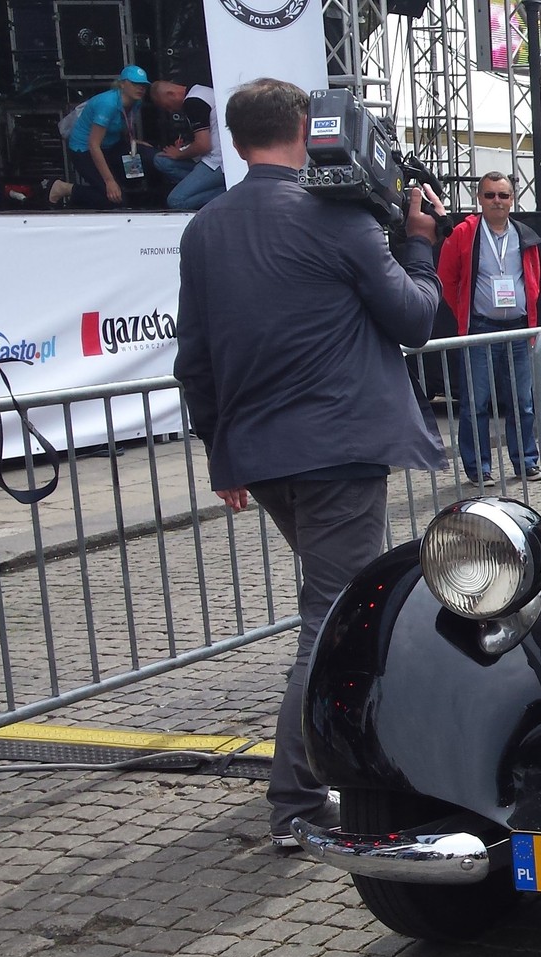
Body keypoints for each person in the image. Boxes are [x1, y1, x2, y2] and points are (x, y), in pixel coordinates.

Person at [172, 78, 448, 847]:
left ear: (232, 140)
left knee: (346, 603)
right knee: (331, 622)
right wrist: (419, 241)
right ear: (305, 126)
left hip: (260, 458)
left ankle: (348, 756)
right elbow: (416, 318)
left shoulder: (205, 228)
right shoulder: (339, 217)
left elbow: (193, 359)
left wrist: (218, 450)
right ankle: (297, 801)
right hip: (336, 453)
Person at [437, 171, 541, 486]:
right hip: (481, 329)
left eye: (503, 195)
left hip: (519, 330)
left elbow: (534, 280)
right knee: (475, 404)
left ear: (512, 199)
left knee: (522, 401)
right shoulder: (464, 234)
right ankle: (478, 468)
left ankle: (526, 462)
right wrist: (466, 315)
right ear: (479, 199)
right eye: (490, 195)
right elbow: (447, 278)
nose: (497, 201)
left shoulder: (525, 235)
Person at [57, 66, 149, 209]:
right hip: (85, 149)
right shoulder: (107, 104)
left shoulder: (136, 102)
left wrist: (133, 142)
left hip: (111, 144)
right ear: (122, 84)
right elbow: (94, 145)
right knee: (115, 199)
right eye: (135, 84)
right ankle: (65, 189)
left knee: (145, 156)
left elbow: (123, 123)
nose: (140, 88)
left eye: (143, 85)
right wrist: (109, 181)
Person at [147, 77, 227, 211]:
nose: (170, 111)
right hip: (210, 157)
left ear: (170, 94)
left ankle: (228, 192)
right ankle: (197, 188)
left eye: (167, 106)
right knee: (161, 160)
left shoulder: (193, 102)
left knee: (176, 201)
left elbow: (203, 145)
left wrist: (179, 154)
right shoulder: (198, 91)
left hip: (218, 162)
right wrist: (185, 149)